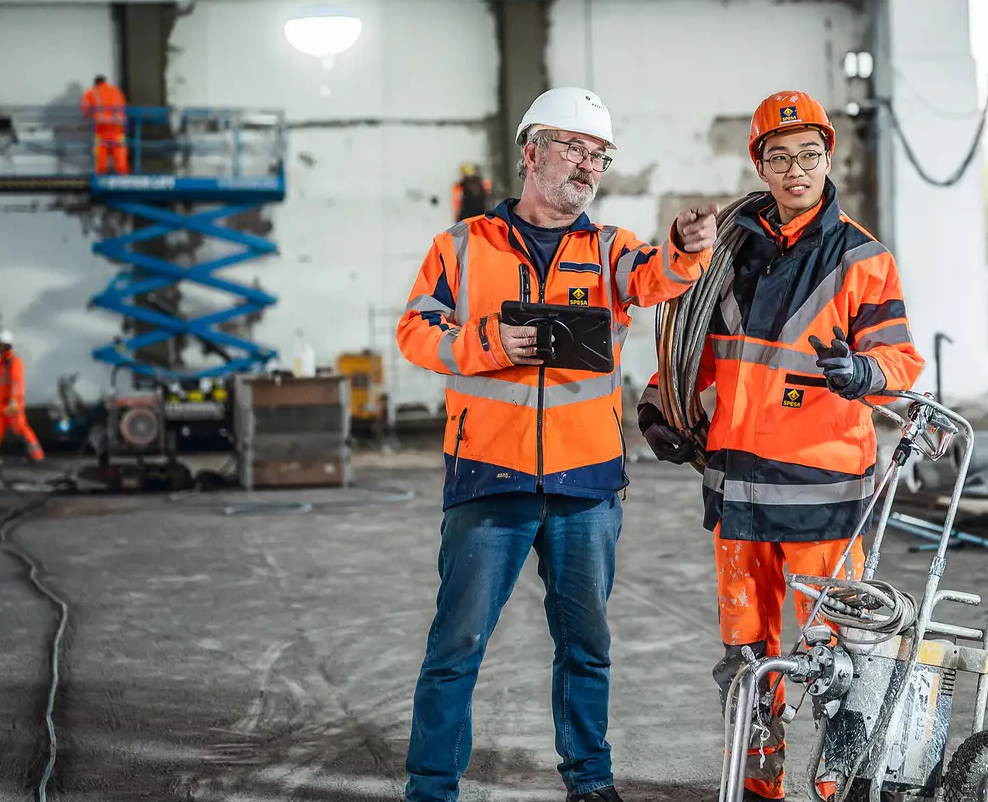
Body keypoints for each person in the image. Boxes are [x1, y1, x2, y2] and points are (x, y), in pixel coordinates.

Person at [396, 86, 719, 802]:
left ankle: (591, 782)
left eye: (599, 154)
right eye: (573, 147)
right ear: (532, 151)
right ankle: (430, 789)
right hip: (489, 480)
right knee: (456, 647)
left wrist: (685, 246)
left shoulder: (611, 250)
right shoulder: (462, 245)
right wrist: (490, 342)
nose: (586, 164)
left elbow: (658, 278)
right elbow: (415, 332)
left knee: (586, 647)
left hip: (587, 486)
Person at [638, 91, 925, 802]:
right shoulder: (727, 254)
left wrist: (863, 373)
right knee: (745, 654)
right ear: (760, 165)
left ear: (829, 159)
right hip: (738, 489)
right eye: (780, 157)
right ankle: (757, 786)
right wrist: (660, 403)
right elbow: (696, 349)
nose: (796, 169)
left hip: (823, 495)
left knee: (838, 657)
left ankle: (842, 788)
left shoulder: (862, 258)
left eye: (809, 155)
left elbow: (899, 365)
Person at [0, 330, 45, 465]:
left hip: (12, 404)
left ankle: (36, 454)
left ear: (7, 346)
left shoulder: (14, 362)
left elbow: (17, 383)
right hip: (1, 405)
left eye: (0, 345)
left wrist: (13, 401)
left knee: (20, 428)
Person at [79, 74, 129, 174]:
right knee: (120, 154)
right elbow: (124, 107)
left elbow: (84, 109)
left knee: (101, 155)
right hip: (117, 129)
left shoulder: (92, 92)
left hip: (101, 130)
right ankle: (123, 176)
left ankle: (101, 176)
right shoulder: (116, 91)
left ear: (96, 83)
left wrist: (90, 114)